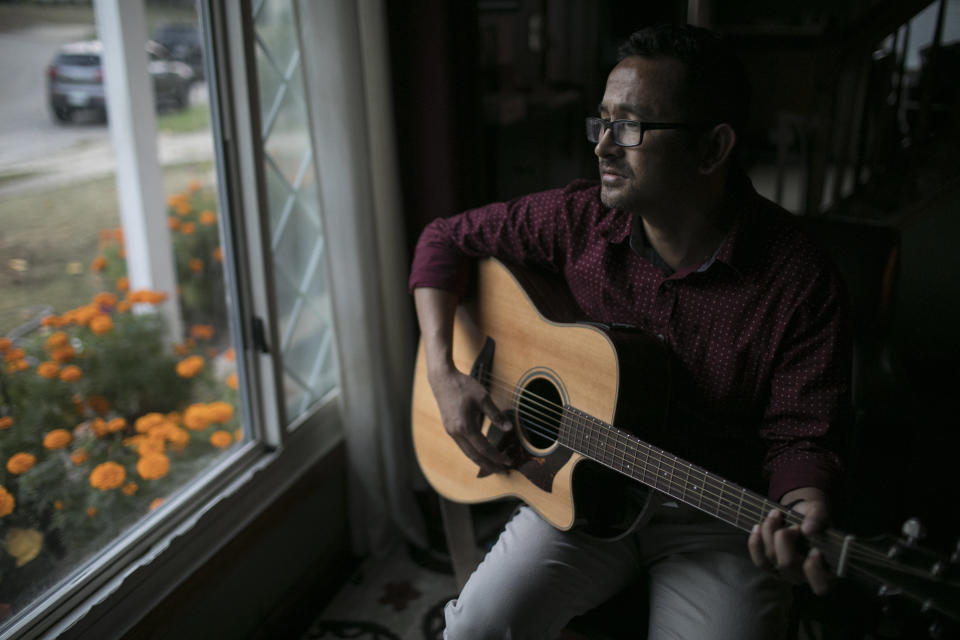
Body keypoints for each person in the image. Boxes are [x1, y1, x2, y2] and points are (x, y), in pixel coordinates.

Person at [409, 23, 850, 639]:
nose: (603, 148)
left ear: (712, 148)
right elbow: (443, 241)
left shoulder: (798, 278)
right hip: (579, 492)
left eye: (631, 126)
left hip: (718, 518)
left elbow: (803, 438)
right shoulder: (578, 219)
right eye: (602, 122)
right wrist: (444, 373)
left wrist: (804, 512)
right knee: (474, 630)